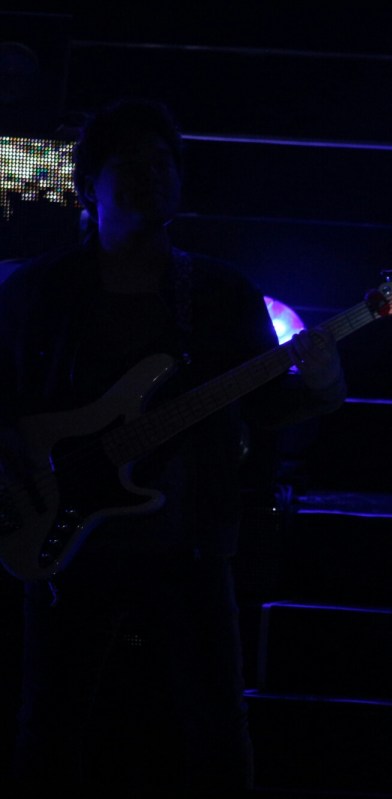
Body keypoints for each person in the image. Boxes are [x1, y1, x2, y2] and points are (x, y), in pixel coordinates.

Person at [0, 97, 347, 797]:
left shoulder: (219, 293)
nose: (151, 176)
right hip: (68, 546)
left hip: (186, 543)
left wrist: (322, 384)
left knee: (216, 730)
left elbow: (266, 407)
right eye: (130, 164)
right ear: (88, 183)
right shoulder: (38, 291)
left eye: (162, 163)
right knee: (50, 726)